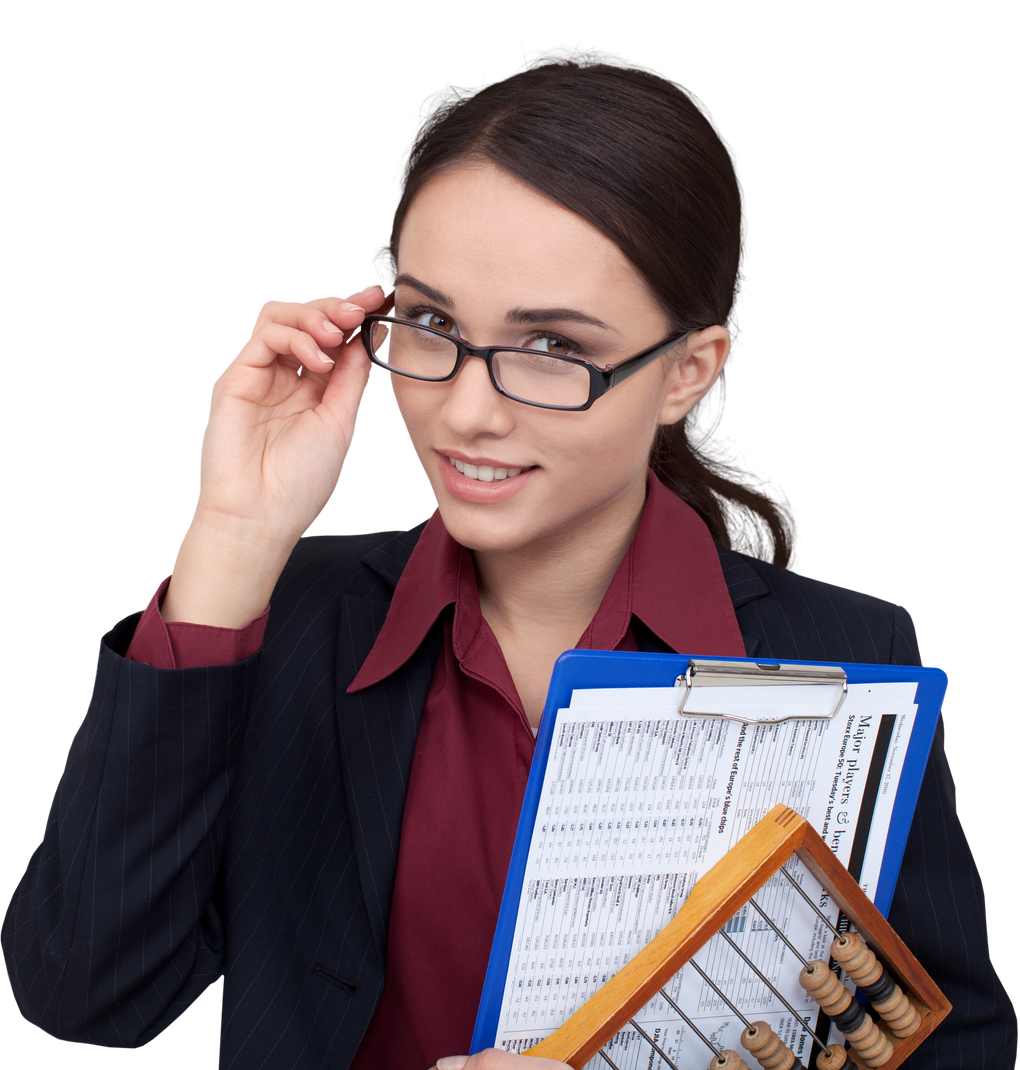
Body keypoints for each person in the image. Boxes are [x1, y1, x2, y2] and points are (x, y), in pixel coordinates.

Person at [3, 30, 1016, 1070]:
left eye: (553, 347)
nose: (467, 412)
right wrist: (231, 533)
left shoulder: (850, 656)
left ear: (686, 370)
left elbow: (953, 1044)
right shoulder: (286, 621)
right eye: (432, 322)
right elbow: (91, 987)